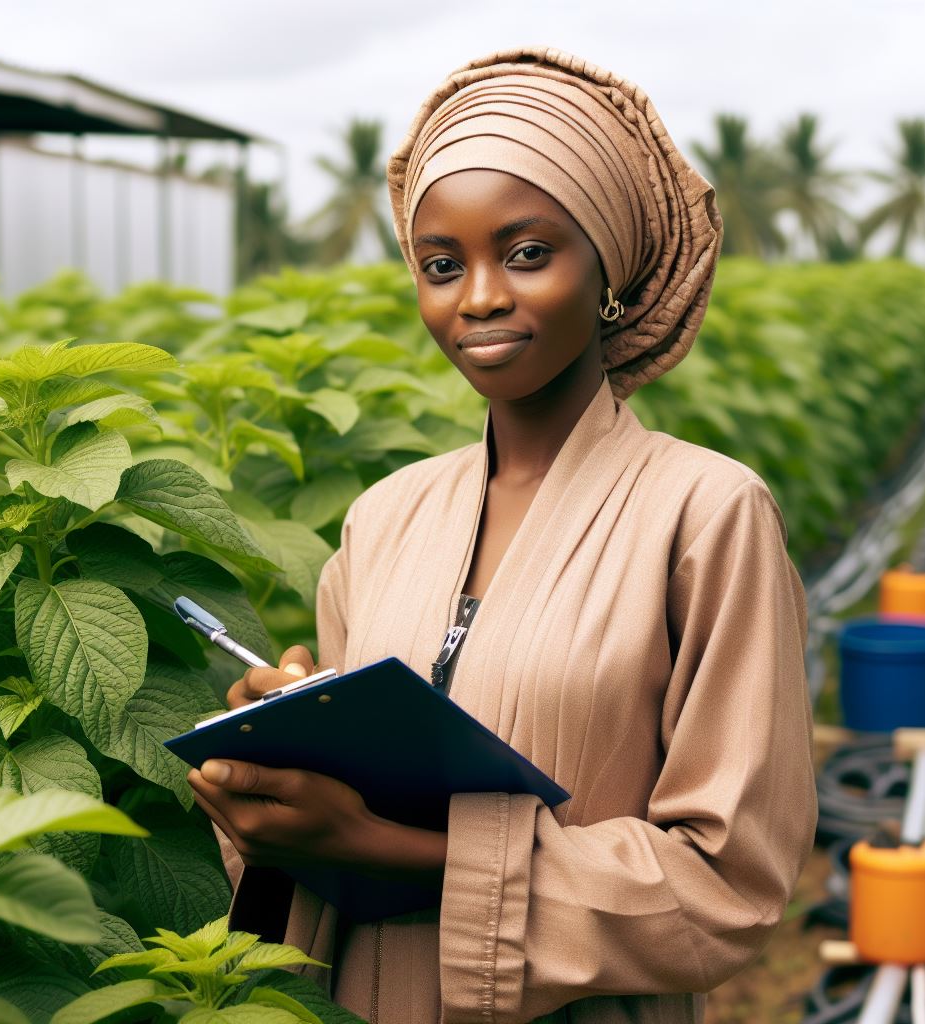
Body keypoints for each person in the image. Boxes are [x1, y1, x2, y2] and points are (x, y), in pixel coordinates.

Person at [188, 47, 817, 1024]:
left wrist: (399, 851)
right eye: (442, 265)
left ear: (609, 268)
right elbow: (329, 834)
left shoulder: (707, 514)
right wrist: (277, 779)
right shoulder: (383, 517)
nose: (476, 296)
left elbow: (728, 884)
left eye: (526, 253)